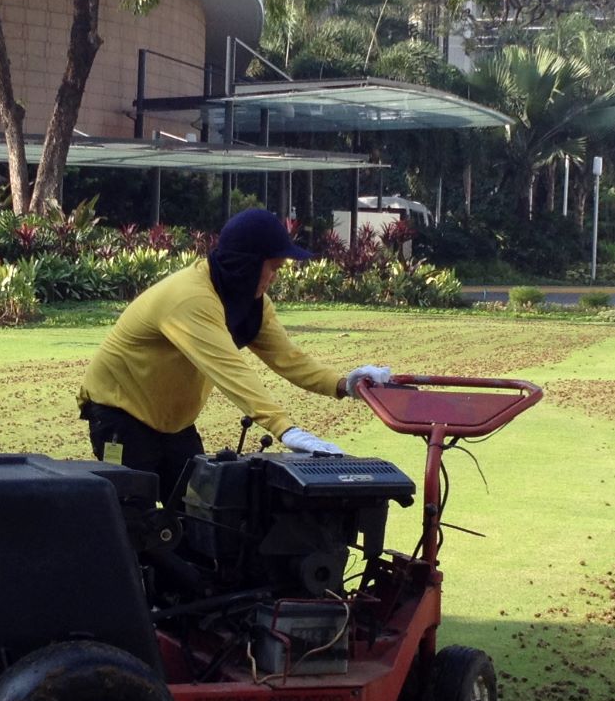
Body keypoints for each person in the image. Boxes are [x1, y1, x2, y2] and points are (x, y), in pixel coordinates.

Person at [76, 208, 393, 503]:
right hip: (119, 412)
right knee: (134, 520)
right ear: (247, 263)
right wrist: (285, 428)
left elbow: (288, 358)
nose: (275, 277)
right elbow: (229, 369)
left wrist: (344, 384)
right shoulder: (189, 299)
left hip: (173, 424)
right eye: (274, 268)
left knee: (201, 512)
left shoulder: (252, 304)